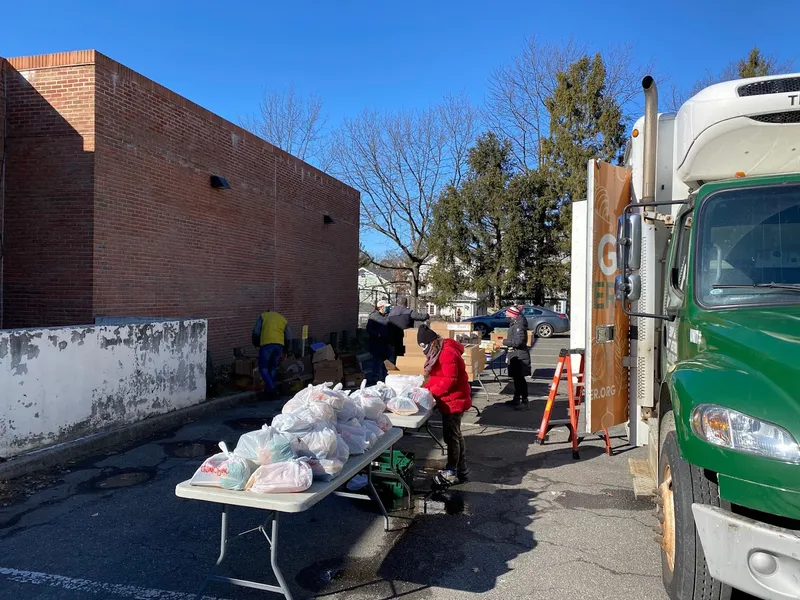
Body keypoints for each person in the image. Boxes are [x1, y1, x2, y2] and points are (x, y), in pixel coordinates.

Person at [418, 324, 472, 486]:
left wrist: (430, 393)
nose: (425, 352)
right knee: (455, 434)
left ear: (432, 342)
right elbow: (437, 378)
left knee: (451, 436)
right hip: (451, 399)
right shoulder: (440, 351)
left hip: (454, 401)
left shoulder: (447, 353)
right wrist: (423, 390)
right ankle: (460, 468)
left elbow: (449, 380)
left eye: (425, 347)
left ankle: (451, 472)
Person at [251, 310, 291, 396]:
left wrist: (256, 343)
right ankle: (269, 390)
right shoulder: (282, 319)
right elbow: (288, 336)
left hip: (266, 345)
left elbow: (256, 331)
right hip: (279, 346)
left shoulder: (263, 316)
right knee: (273, 367)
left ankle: (272, 388)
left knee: (263, 368)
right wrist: (286, 350)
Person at [503, 305, 531, 410]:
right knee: (516, 378)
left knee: (520, 379)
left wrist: (504, 342)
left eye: (507, 313)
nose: (506, 315)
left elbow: (518, 342)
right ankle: (516, 398)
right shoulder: (515, 323)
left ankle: (524, 401)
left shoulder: (519, 325)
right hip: (515, 354)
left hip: (520, 355)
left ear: (512, 315)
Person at [387, 296, 429, 362]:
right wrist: (427, 315)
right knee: (406, 352)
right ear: (406, 303)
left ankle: (397, 364)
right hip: (406, 336)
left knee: (397, 352)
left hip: (393, 337)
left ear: (397, 303)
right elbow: (421, 317)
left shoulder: (390, 314)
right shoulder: (408, 312)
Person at [366, 299, 391, 383]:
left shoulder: (388, 316)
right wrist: (378, 334)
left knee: (386, 360)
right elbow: (369, 329)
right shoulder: (373, 317)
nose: (388, 308)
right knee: (376, 360)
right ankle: (375, 377)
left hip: (386, 342)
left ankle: (386, 376)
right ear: (381, 307)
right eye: (386, 307)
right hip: (376, 342)